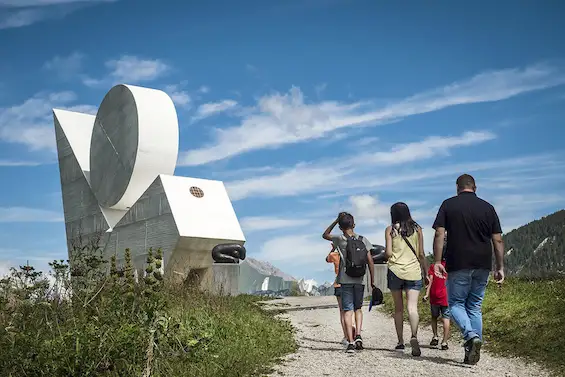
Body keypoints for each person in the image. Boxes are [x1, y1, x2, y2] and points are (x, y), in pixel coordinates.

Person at [432, 174, 505, 365]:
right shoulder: (488, 207)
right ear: (475, 187)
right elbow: (497, 239)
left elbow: (440, 233)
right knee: (474, 307)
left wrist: (438, 261)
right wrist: (500, 267)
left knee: (455, 304)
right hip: (482, 263)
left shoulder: (448, 204)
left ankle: (471, 336)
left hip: (458, 262)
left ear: (457, 187)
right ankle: (472, 351)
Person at [323, 212, 375, 353]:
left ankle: (350, 342)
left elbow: (325, 235)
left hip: (345, 281)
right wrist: (372, 280)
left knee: (347, 311)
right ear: (354, 225)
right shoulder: (363, 240)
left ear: (340, 227)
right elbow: (370, 260)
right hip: (360, 280)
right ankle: (358, 335)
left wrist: (336, 220)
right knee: (358, 309)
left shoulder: (339, 239)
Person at [384, 202, 428, 357]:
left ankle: (400, 341)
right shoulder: (418, 229)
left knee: (398, 309)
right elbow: (421, 253)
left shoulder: (390, 230)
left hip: (395, 270)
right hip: (413, 271)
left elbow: (388, 253)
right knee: (412, 308)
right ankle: (414, 336)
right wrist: (426, 272)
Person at [423, 236, 450, 350]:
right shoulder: (450, 267)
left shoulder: (433, 266)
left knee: (434, 317)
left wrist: (426, 294)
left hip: (434, 296)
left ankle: (435, 336)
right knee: (446, 318)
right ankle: (444, 342)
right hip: (447, 297)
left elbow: (430, 281)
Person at [326, 242, 351, 346]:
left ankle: (346, 336)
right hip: (351, 284)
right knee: (351, 310)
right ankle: (354, 334)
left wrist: (333, 249)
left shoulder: (335, 255)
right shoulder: (351, 254)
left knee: (342, 312)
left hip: (339, 284)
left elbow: (327, 259)